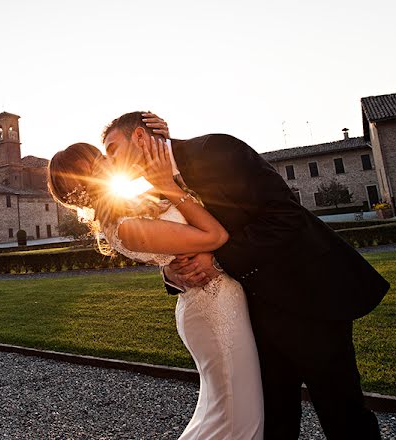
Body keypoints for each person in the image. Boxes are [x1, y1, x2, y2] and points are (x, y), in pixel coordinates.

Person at [101, 112, 389, 440]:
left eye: (113, 150)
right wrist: (171, 272)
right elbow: (174, 244)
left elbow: (284, 215)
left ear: (140, 137)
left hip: (306, 298)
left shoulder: (214, 150)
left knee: (343, 416)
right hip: (246, 318)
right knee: (272, 422)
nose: (112, 163)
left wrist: (219, 260)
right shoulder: (152, 193)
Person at [49, 137, 264, 440]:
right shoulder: (123, 226)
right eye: (99, 159)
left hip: (215, 301)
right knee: (238, 418)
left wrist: (165, 138)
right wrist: (172, 190)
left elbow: (173, 179)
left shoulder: (135, 205)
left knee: (226, 412)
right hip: (214, 311)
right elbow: (215, 236)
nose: (108, 161)